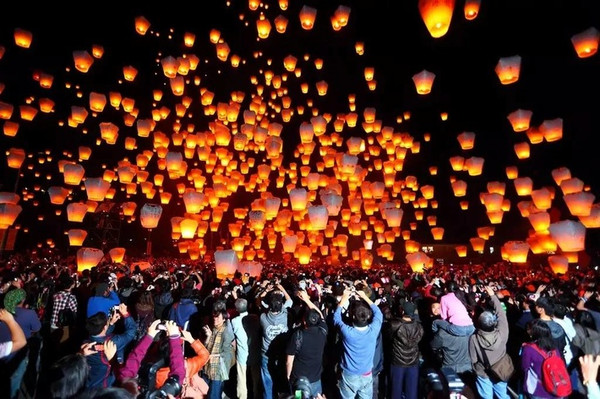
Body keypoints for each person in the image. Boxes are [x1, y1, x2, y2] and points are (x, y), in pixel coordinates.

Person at [333, 286, 383, 399]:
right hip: (366, 374)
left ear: (353, 316)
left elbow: (336, 318)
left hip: (349, 374)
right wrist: (365, 297)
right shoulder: (373, 330)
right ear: (368, 316)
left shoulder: (347, 332)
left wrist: (343, 299)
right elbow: (378, 313)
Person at [469, 286, 510, 399]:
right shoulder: (503, 333)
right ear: (494, 323)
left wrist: (477, 370)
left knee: (486, 396)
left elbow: (473, 359)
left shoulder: (474, 338)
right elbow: (501, 314)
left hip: (484, 372)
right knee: (502, 395)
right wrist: (493, 296)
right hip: (501, 369)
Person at [84, 303, 137, 388]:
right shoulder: (113, 342)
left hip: (91, 380)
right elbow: (131, 332)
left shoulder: (85, 344)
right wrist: (126, 314)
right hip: (107, 384)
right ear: (105, 327)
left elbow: (101, 335)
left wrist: (111, 323)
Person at [286, 290, 328, 397]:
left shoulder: (298, 335)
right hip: (315, 379)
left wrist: (288, 375)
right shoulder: (323, 331)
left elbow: (289, 360)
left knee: (299, 397)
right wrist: (307, 300)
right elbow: (319, 314)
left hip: (298, 379)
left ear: (304, 321)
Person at [260, 282, 293, 399]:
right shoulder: (285, 314)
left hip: (266, 353)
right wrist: (281, 288)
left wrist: (265, 290)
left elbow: (259, 301)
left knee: (267, 382)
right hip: (281, 354)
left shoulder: (263, 317)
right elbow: (290, 301)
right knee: (282, 380)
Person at [388, 300, 424, 399]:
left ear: (402, 311)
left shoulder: (395, 325)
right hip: (413, 361)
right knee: (412, 391)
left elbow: (389, 337)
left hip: (398, 361)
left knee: (395, 390)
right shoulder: (419, 326)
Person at [520, 319, 564, 398]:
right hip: (555, 388)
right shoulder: (554, 349)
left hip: (537, 389)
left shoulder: (528, 349)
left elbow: (524, 367)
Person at [231, 296, 262, 399]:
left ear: (236, 309)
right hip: (255, 352)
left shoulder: (234, 321)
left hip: (242, 354)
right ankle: (257, 395)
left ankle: (242, 397)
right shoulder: (255, 318)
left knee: (241, 378)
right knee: (256, 377)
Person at [203, 305, 235, 399]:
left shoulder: (226, 332)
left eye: (217, 317)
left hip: (218, 370)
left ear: (224, 319)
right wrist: (208, 336)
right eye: (214, 316)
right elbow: (206, 347)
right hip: (208, 368)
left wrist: (213, 356)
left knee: (214, 395)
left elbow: (228, 353)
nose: (215, 319)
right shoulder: (213, 329)